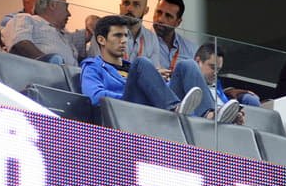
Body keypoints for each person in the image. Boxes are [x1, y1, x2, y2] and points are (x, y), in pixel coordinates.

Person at [81, 15, 241, 124]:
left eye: (125, 36)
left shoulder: (130, 66)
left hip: (154, 105)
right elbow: (95, 97)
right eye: (117, 36)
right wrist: (139, 89)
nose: (124, 40)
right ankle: (175, 107)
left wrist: (154, 85)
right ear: (101, 40)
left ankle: (210, 114)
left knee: (188, 65)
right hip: (127, 108)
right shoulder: (92, 67)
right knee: (142, 62)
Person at [1, 0, 89, 65]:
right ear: (52, 5)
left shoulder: (63, 35)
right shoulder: (25, 19)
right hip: (41, 78)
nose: (69, 14)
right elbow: (20, 44)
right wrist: (49, 64)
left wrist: (91, 21)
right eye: (66, 7)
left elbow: (89, 33)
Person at [87, 0, 160, 65]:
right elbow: (101, 67)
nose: (129, 8)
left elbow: (154, 70)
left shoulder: (151, 38)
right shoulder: (104, 30)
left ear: (146, 10)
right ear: (120, 6)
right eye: (126, 3)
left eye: (136, 4)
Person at [195, 43, 261, 109]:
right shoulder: (189, 81)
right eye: (213, 67)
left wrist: (229, 91)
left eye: (218, 69)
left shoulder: (216, 82)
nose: (215, 73)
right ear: (198, 61)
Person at [152, 0, 198, 78]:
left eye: (168, 16)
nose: (160, 19)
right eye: (159, 12)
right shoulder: (141, 41)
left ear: (178, 22)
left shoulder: (192, 49)